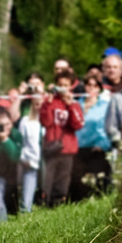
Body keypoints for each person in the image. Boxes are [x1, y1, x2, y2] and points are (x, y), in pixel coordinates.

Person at [71, 75, 121, 202]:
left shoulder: (104, 105)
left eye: (95, 86)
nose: (91, 89)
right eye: (88, 85)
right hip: (78, 148)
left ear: (99, 88)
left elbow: (108, 125)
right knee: (78, 183)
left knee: (97, 183)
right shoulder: (76, 104)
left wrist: (103, 144)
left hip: (97, 149)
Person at [39, 71, 84, 207]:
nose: (63, 88)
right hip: (52, 148)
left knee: (62, 184)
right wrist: (48, 102)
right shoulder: (50, 102)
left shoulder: (74, 104)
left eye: (66, 85)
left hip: (67, 149)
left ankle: (58, 206)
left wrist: (70, 105)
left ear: (71, 87)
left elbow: (78, 124)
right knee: (47, 183)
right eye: (60, 85)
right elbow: (45, 122)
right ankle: (43, 205)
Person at [16, 93, 45, 213]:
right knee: (26, 199)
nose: (39, 107)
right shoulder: (25, 121)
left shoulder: (47, 123)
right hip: (30, 163)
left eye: (42, 104)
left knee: (44, 196)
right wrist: (23, 158)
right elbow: (20, 142)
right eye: (37, 104)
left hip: (45, 162)